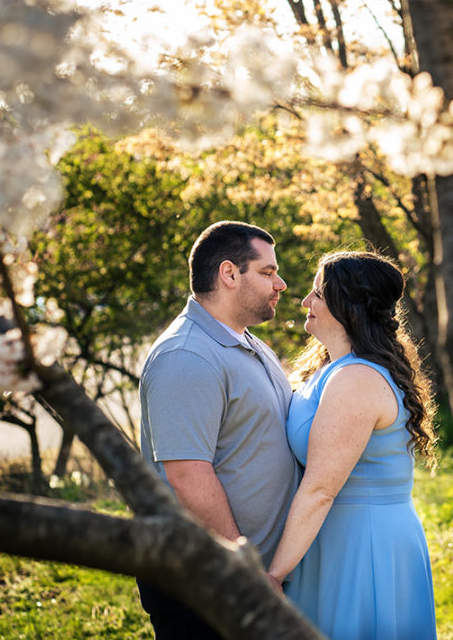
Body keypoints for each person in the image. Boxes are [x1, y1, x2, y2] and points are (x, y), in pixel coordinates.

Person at [137, 220, 300, 639]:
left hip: (251, 578)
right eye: (267, 272)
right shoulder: (186, 355)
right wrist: (244, 570)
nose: (280, 283)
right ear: (229, 274)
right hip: (207, 583)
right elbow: (188, 477)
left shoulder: (249, 343)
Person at [266, 250, 439, 640]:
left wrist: (273, 575)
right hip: (333, 537)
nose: (305, 303)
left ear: (349, 307)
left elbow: (321, 489)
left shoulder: (356, 379)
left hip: (363, 543)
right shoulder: (330, 367)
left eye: (318, 295)